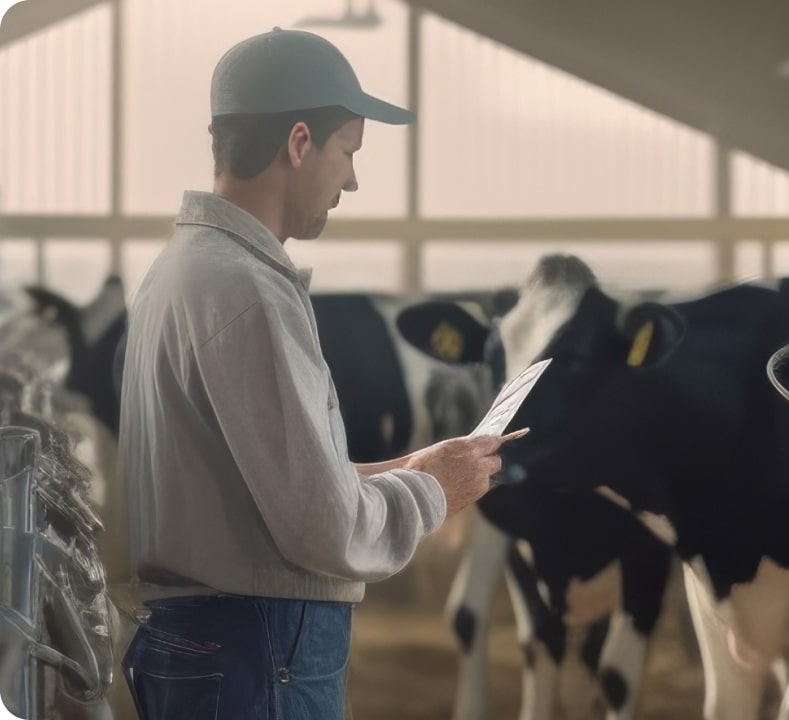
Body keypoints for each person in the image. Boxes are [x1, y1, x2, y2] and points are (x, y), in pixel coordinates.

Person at [118, 27, 504, 719]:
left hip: (211, 645)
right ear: (299, 144)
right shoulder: (246, 292)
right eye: (348, 151)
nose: (351, 178)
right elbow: (322, 529)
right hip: (261, 655)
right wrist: (431, 493)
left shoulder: (181, 271)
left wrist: (407, 466)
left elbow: (261, 487)